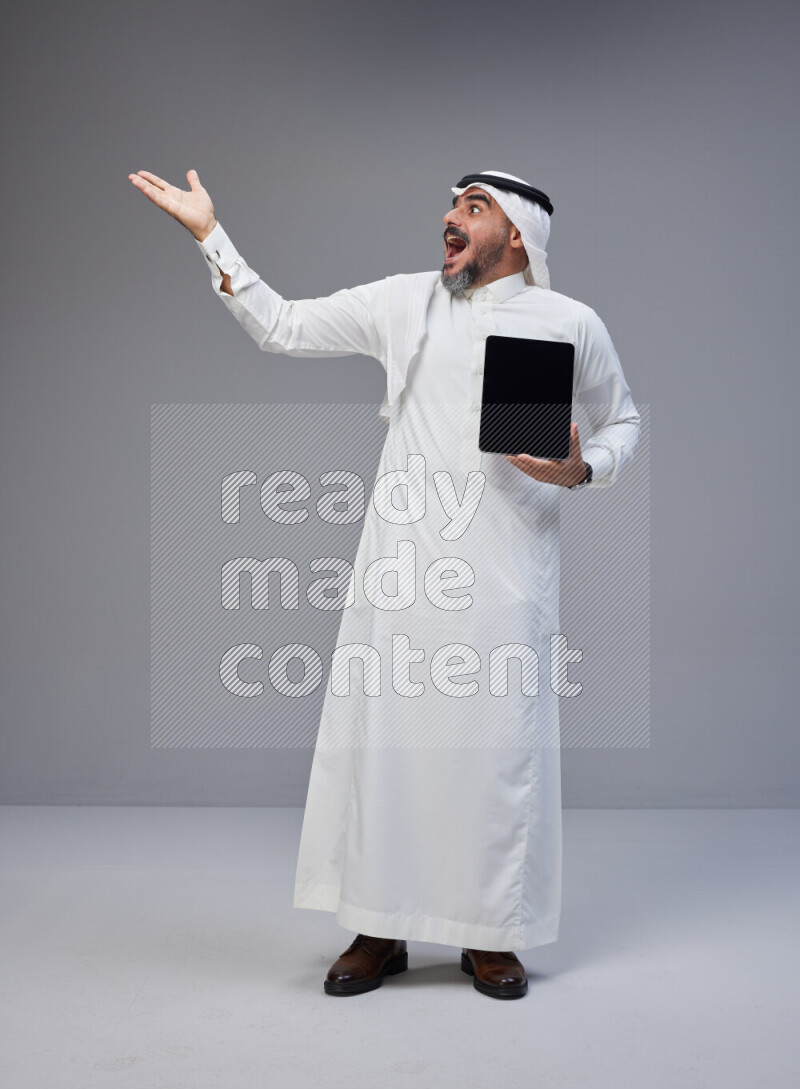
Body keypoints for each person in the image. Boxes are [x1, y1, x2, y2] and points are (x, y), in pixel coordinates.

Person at [129, 165, 640, 1000]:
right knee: (389, 751)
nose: (450, 217)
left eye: (474, 209)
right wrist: (207, 234)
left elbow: (624, 420)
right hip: (402, 575)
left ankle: (490, 935)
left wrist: (585, 469)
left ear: (518, 235)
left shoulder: (567, 321)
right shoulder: (406, 302)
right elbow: (282, 326)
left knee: (494, 755)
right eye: (452, 204)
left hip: (508, 581)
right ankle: (379, 926)